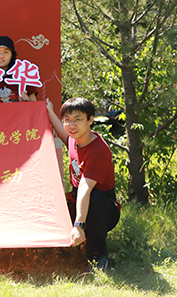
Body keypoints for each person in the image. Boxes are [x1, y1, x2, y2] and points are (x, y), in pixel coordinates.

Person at [46, 97, 120, 270]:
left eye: (77, 119)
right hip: (77, 199)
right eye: (67, 120)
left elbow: (85, 189)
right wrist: (50, 111)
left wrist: (79, 225)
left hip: (102, 209)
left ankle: (97, 255)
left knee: (94, 197)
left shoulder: (98, 151)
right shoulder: (75, 139)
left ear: (90, 120)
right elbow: (63, 134)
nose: (71, 125)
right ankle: (72, 246)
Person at [0, 36, 38, 103]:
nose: (1, 56)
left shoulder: (24, 75)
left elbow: (35, 104)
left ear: (12, 55)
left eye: (6, 52)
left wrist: (26, 102)